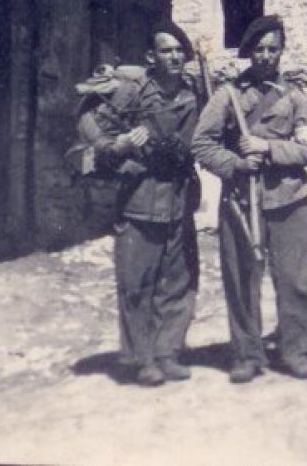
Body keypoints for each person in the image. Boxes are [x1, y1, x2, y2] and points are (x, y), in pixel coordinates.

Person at [191, 16, 307, 383]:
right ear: (249, 52)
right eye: (259, 49)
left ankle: (297, 350)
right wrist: (236, 164)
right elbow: (201, 143)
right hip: (241, 201)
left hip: (290, 198)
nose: (266, 56)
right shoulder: (227, 95)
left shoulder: (295, 96)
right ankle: (247, 354)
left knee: (296, 280)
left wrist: (267, 148)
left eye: (273, 49)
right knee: (242, 278)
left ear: (281, 51)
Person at [89, 21, 202, 387]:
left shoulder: (192, 92)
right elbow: (90, 122)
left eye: (178, 51)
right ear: (151, 57)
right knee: (137, 282)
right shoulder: (132, 93)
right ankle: (142, 358)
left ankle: (168, 352)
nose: (174, 57)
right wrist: (120, 143)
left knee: (179, 281)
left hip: (179, 200)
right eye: (166, 51)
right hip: (140, 198)